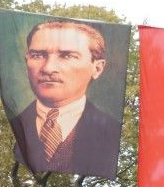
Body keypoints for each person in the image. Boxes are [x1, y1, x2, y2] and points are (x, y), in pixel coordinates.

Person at [9, 19, 122, 178]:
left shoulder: (110, 131)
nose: (48, 68)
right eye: (37, 55)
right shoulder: (12, 125)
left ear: (97, 68)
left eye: (67, 56)